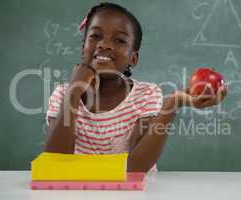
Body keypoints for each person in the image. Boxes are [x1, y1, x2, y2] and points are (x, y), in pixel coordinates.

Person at [44, 2, 227, 172]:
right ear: (83, 48)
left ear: (133, 58)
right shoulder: (63, 94)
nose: (105, 44)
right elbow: (57, 165)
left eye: (120, 40)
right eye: (96, 36)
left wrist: (173, 103)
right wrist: (74, 93)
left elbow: (136, 168)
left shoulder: (146, 95)